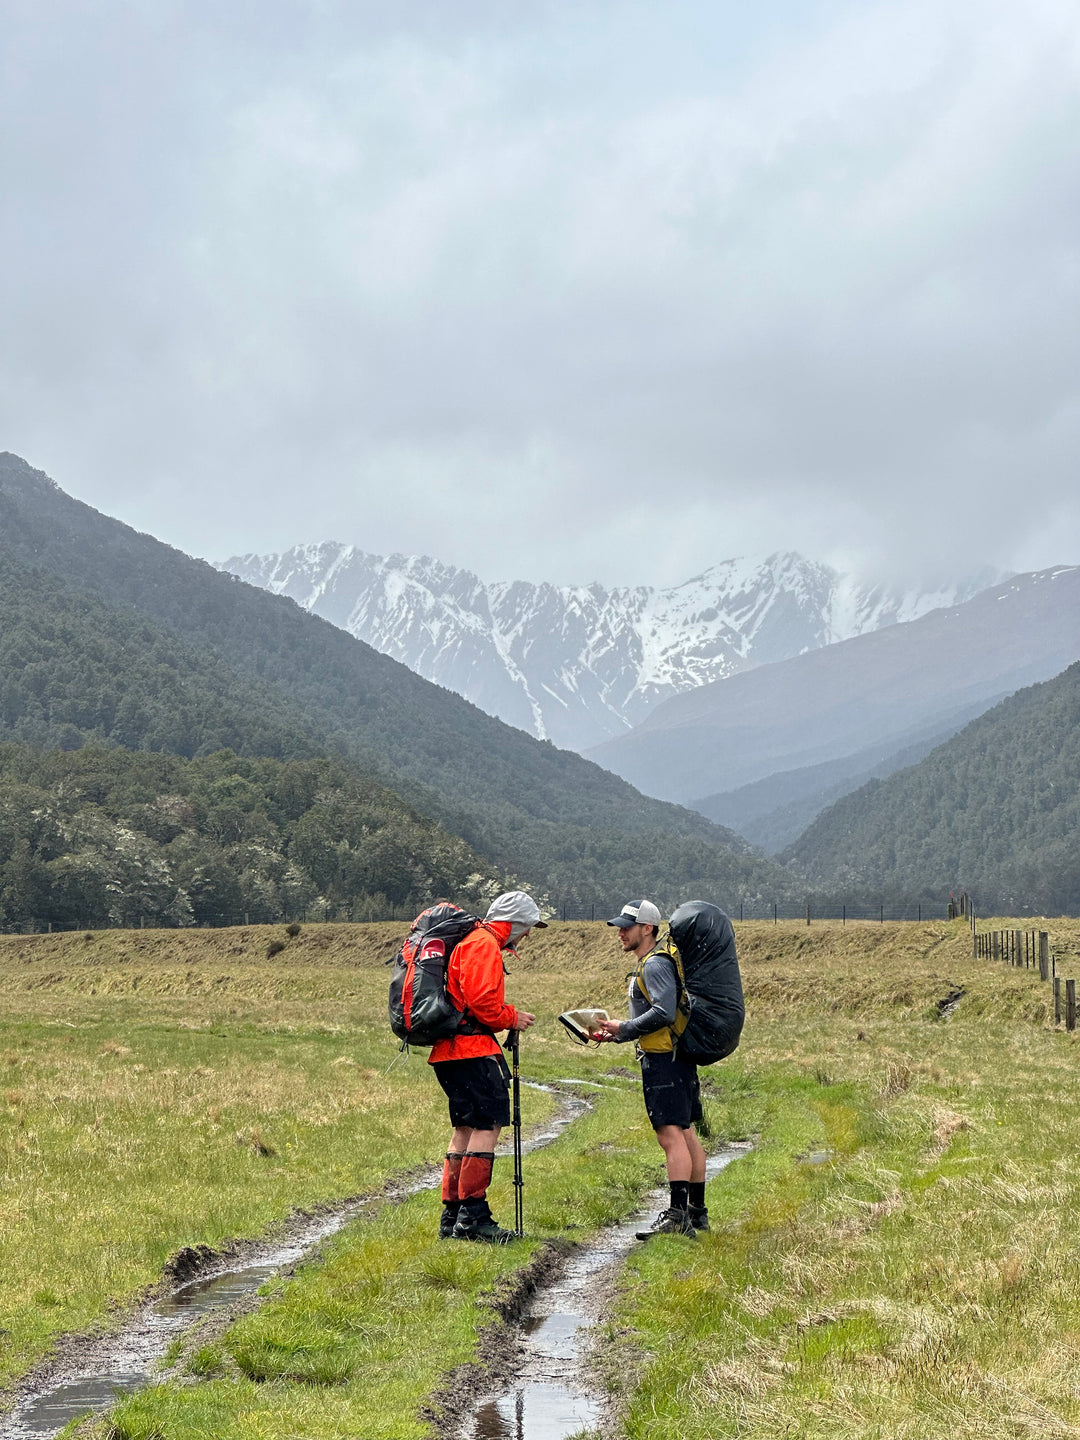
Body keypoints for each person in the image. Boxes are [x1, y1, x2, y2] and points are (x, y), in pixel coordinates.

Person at [591, 898, 707, 1238]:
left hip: (663, 1061)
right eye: (619, 927)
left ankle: (677, 1217)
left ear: (648, 928)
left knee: (670, 1136)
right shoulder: (657, 961)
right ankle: (696, 1213)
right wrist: (617, 1035)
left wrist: (623, 1028)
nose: (620, 933)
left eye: (627, 927)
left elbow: (663, 1012)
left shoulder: (654, 965)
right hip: (677, 1057)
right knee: (685, 1133)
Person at [430, 890, 540, 1242]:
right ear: (515, 923)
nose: (526, 936)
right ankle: (474, 1216)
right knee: (487, 1125)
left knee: (464, 1128)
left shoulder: (470, 941)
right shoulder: (484, 944)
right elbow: (483, 1005)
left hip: (450, 1050)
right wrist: (513, 1017)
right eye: (527, 928)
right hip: (471, 1050)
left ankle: (453, 1215)